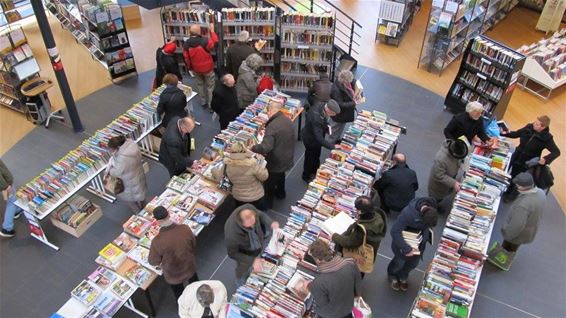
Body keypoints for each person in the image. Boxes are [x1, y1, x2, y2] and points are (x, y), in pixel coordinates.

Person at [488, 173, 546, 271]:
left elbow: (516, 225)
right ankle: (505, 257)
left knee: (508, 248)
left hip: (518, 234)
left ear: (522, 187)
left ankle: (500, 262)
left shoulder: (523, 205)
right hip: (530, 229)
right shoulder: (540, 192)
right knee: (514, 247)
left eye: (517, 185)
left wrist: (507, 234)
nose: (516, 187)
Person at [501, 115, 560, 201]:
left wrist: (545, 159)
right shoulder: (529, 127)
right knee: (509, 171)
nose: (533, 124)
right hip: (517, 154)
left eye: (537, 124)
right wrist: (504, 133)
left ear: (543, 127)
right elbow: (517, 133)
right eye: (534, 122)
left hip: (527, 162)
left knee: (518, 179)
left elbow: (556, 152)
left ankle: (511, 195)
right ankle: (507, 187)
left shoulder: (547, 138)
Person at [250, 99, 295, 208]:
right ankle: (281, 193)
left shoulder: (272, 126)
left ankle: (267, 204)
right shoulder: (287, 120)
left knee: (269, 182)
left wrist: (253, 147)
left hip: (275, 160)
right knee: (281, 175)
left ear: (270, 111)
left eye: (267, 112)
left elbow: (266, 147)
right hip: (287, 155)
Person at [388, 197, 438, 291]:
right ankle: (392, 275)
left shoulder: (432, 204)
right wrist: (407, 249)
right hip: (404, 243)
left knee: (413, 264)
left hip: (419, 242)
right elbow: (394, 231)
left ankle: (403, 276)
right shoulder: (407, 214)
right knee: (399, 262)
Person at [148, 206, 198, 299]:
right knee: (196, 286)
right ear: (169, 214)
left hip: (173, 274)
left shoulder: (157, 241)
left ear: (157, 221)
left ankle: (183, 306)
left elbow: (153, 261)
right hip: (189, 266)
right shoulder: (185, 228)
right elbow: (193, 244)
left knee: (179, 295)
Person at [331, 196, 387, 278]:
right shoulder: (378, 216)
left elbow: (349, 243)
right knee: (360, 269)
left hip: (357, 254)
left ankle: (351, 283)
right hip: (369, 252)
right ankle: (358, 279)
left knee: (353, 270)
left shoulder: (362, 229)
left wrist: (334, 236)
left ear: (360, 211)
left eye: (357, 209)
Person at [304, 239, 362, 318]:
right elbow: (358, 285)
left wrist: (310, 287)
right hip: (349, 307)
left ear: (317, 259)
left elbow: (323, 309)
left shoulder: (319, 282)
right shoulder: (350, 262)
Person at [224, 204, 279, 286]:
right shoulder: (232, 235)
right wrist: (252, 261)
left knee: (259, 257)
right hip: (244, 253)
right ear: (242, 224)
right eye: (249, 225)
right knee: (243, 268)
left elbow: (260, 214)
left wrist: (270, 223)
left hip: (256, 243)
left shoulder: (249, 209)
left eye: (254, 222)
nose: (253, 226)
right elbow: (232, 253)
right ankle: (240, 282)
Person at [212, 141, 268, 209]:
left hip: (239, 197)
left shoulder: (227, 164)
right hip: (256, 196)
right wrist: (261, 166)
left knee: (242, 214)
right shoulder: (252, 163)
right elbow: (264, 177)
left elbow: (218, 177)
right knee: (257, 214)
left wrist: (213, 169)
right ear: (245, 150)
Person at [301, 99, 340, 182]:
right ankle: (306, 176)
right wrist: (333, 146)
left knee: (316, 154)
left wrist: (326, 126)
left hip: (316, 137)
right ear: (329, 110)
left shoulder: (323, 105)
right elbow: (318, 138)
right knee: (310, 157)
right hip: (310, 139)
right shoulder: (316, 117)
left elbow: (324, 121)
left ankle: (315, 171)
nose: (333, 116)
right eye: (333, 114)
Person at [106, 135, 147, 212]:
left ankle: (140, 215)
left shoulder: (122, 158)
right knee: (142, 196)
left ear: (117, 147)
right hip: (138, 175)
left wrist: (110, 170)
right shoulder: (132, 145)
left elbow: (116, 172)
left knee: (131, 202)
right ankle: (146, 211)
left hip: (128, 183)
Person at [183, 23, 218, 111]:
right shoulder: (205, 41)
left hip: (196, 69)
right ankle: (211, 105)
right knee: (210, 87)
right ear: (199, 32)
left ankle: (203, 102)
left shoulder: (186, 44)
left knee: (200, 84)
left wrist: (190, 68)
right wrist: (212, 31)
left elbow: (186, 59)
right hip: (208, 69)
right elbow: (215, 43)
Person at [427, 139, 468, 214]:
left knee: (442, 196)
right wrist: (454, 183)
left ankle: (436, 204)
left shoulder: (455, 149)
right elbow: (438, 175)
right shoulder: (440, 159)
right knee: (435, 198)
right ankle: (432, 208)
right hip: (437, 185)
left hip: (448, 180)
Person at [328, 70, 358, 143]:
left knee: (341, 127)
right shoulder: (336, 90)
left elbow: (355, 82)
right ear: (344, 81)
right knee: (334, 129)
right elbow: (340, 104)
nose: (350, 83)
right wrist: (353, 103)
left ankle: (337, 139)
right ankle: (330, 143)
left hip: (344, 114)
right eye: (348, 82)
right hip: (338, 115)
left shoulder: (348, 81)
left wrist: (359, 93)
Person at [0, 159, 22, 238]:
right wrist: (5, 186)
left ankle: (15, 211)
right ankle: (7, 228)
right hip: (5, 182)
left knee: (12, 199)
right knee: (12, 201)